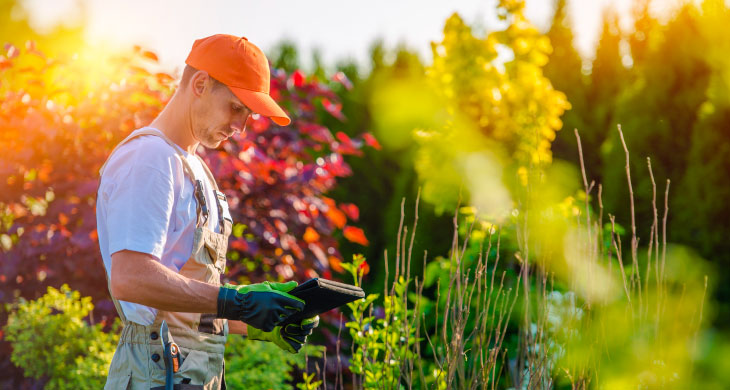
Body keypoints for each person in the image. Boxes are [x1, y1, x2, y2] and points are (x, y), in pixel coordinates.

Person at [96, 34, 318, 390]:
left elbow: (186, 310)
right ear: (200, 84)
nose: (240, 127)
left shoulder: (196, 168)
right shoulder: (151, 159)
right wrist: (236, 301)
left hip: (194, 371)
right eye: (235, 108)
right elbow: (130, 277)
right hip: (156, 373)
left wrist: (259, 319)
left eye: (247, 114)